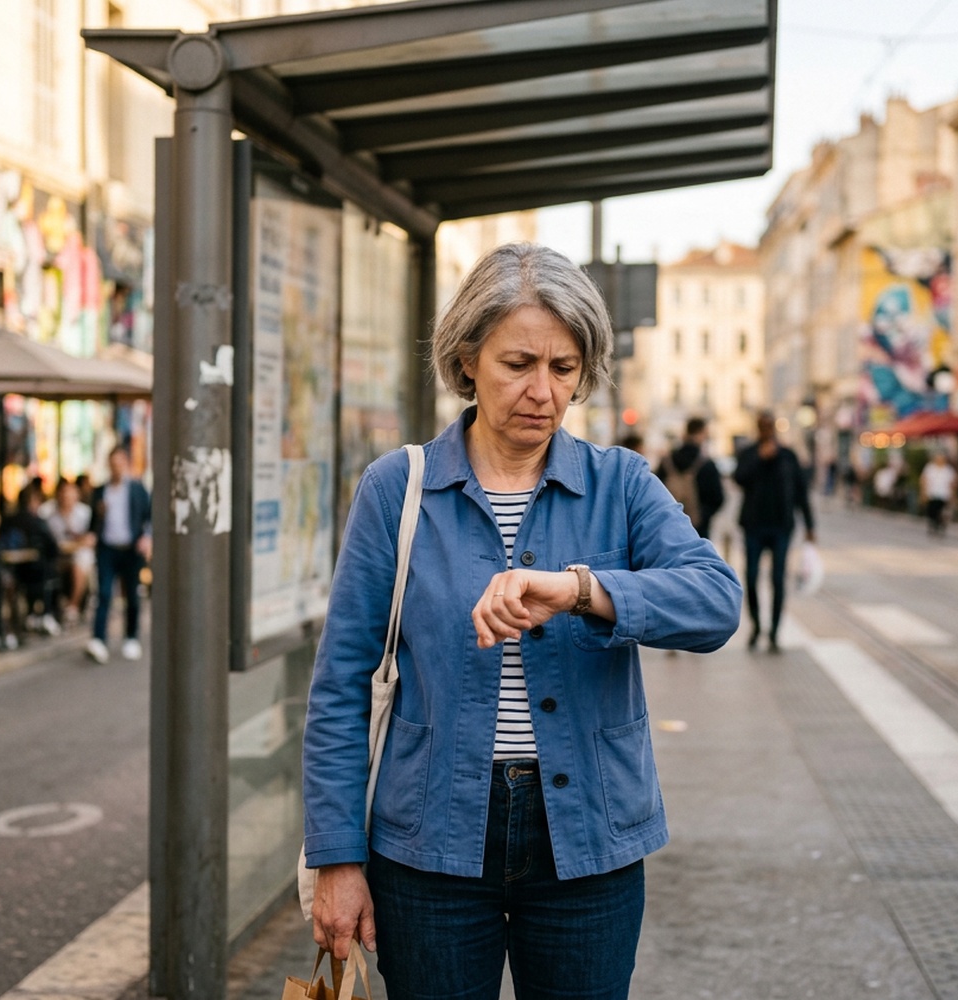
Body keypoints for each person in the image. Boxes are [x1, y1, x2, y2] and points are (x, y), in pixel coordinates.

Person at [302, 243, 741, 999]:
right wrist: (337, 861)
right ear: (468, 358)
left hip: (587, 841)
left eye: (564, 368)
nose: (542, 390)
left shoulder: (621, 484)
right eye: (518, 363)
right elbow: (341, 685)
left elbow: (716, 602)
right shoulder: (397, 490)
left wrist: (581, 590)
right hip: (430, 846)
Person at [733, 411, 814, 654]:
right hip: (754, 526)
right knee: (751, 577)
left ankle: (775, 632)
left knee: (778, 579)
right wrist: (759, 459)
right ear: (758, 428)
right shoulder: (749, 453)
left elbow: (801, 492)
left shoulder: (788, 456)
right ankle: (757, 626)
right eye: (762, 426)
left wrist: (810, 525)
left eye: (770, 426)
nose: (766, 430)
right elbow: (739, 478)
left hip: (781, 526)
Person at [86, 448, 151, 664]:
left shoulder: (136, 488)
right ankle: (98, 639)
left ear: (125, 464)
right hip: (107, 548)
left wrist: (146, 537)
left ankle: (131, 637)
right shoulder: (100, 490)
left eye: (120, 462)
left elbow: (149, 516)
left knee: (131, 594)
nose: (116, 467)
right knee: (104, 593)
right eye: (112, 463)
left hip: (130, 549)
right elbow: (93, 521)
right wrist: (94, 530)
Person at [0, 483, 62, 635]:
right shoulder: (38, 522)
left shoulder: (8, 520)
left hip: (14, 571)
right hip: (35, 572)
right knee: (53, 575)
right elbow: (53, 547)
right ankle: (44, 614)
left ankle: (33, 615)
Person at [655, 416, 725, 539]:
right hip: (698, 527)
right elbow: (717, 497)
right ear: (702, 433)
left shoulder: (667, 461)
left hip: (669, 525)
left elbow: (655, 493)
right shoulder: (707, 464)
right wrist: (704, 516)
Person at [46, 478, 95, 625]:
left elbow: (90, 538)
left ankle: (73, 606)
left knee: (79, 562)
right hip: (58, 555)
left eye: (70, 494)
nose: (66, 498)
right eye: (64, 494)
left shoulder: (85, 513)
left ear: (77, 495)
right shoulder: (50, 514)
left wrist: (79, 542)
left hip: (80, 554)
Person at [920, 451, 957, 536]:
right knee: (932, 511)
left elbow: (952, 483)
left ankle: (940, 526)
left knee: (941, 512)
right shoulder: (930, 468)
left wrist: (952, 494)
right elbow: (924, 480)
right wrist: (924, 492)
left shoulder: (948, 469)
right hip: (932, 493)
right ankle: (932, 526)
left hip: (944, 494)